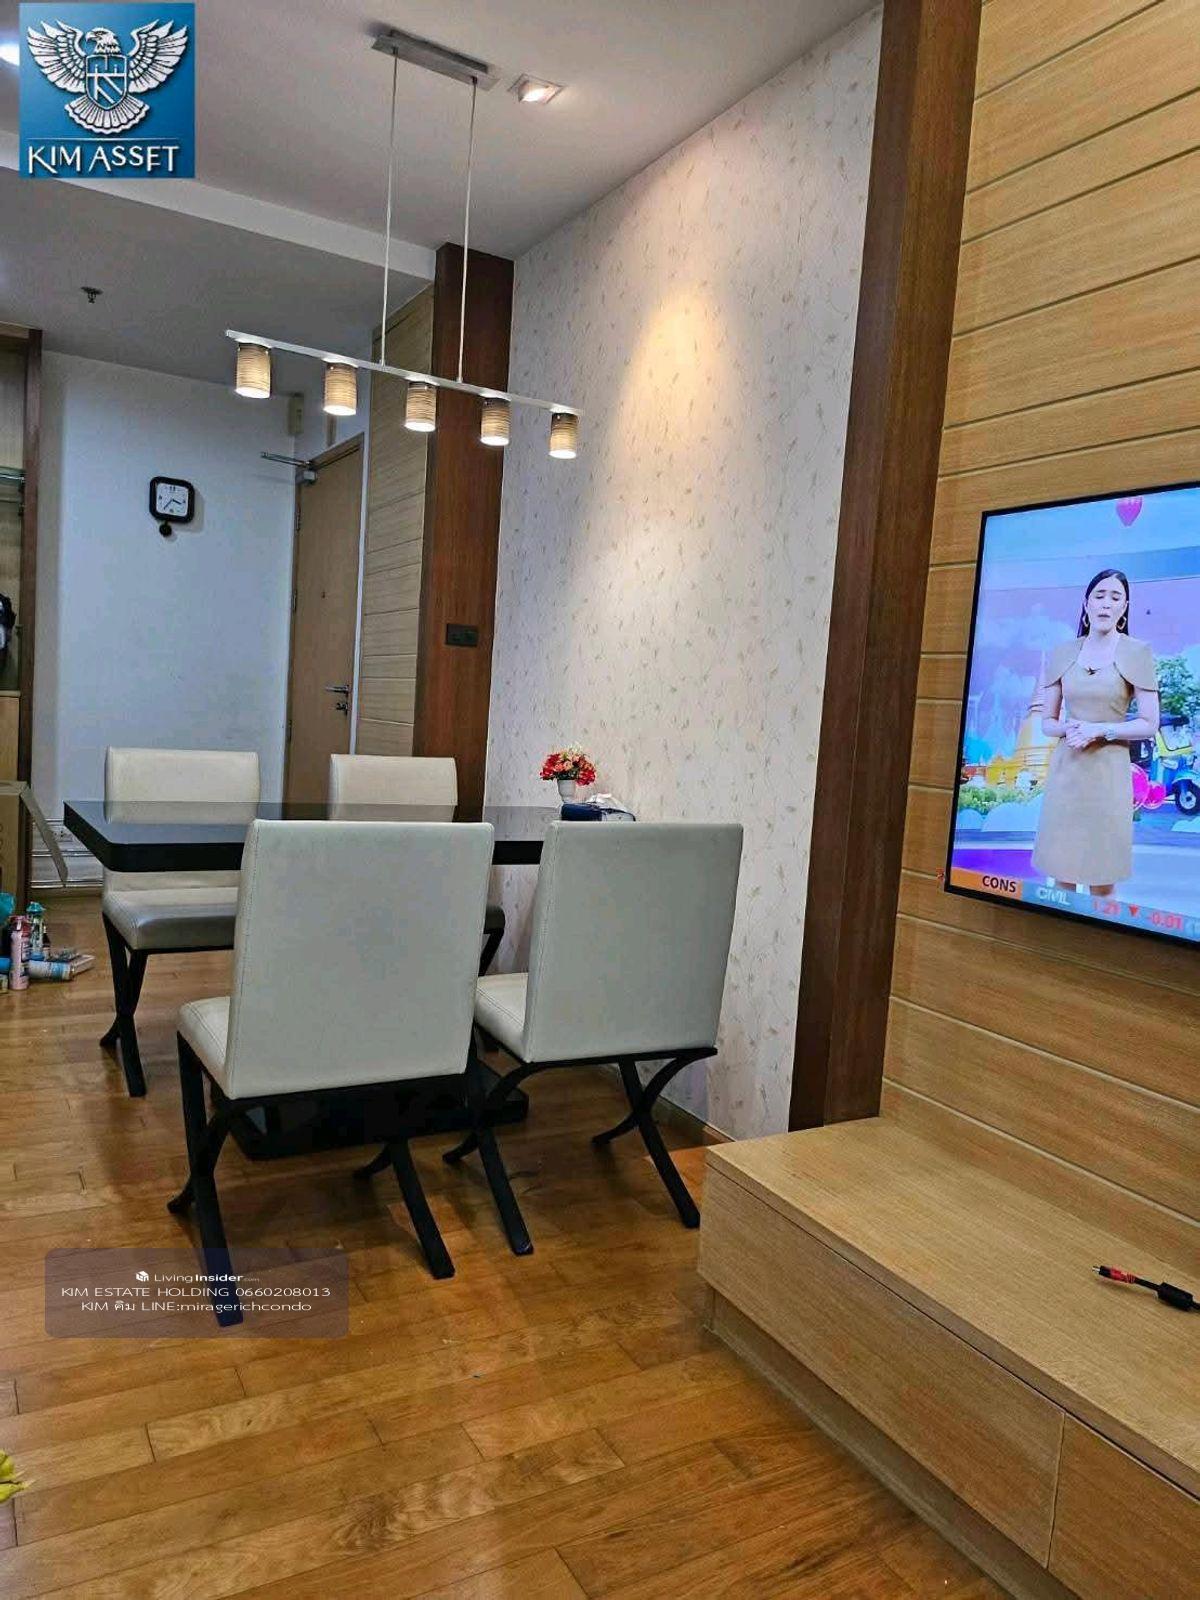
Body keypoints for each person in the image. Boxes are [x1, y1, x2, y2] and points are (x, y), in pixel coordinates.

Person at [1031, 568, 1159, 896]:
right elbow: (1047, 722)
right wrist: (1070, 728)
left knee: (1102, 878)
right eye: (1099, 596)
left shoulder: (1137, 653)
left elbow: (1149, 723)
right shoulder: (1062, 653)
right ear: (1086, 603)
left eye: (1115, 597)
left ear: (1124, 607)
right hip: (1067, 772)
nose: (1106, 603)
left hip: (1108, 775)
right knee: (1062, 874)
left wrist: (1099, 730)